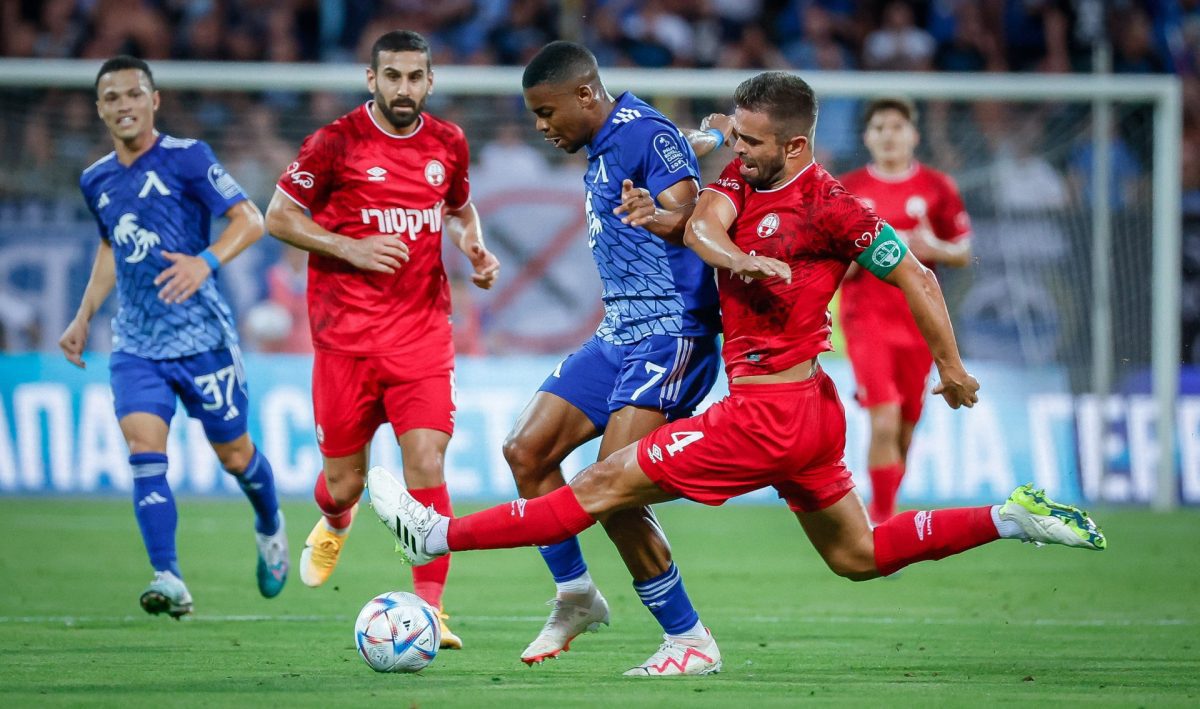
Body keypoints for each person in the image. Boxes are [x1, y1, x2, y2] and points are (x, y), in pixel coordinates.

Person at [367, 71, 1107, 676]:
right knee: (859, 554)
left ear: (796, 144)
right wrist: (716, 244)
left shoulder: (834, 208)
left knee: (601, 483)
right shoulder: (743, 181)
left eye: (750, 141)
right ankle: (1012, 517)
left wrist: (951, 366)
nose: (736, 150)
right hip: (805, 411)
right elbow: (700, 225)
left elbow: (916, 273)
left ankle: (439, 537)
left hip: (767, 417)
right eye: (737, 137)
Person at [263, 30, 499, 650]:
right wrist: (351, 247)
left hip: (422, 335)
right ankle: (337, 517)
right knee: (344, 482)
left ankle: (431, 610)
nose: (404, 88)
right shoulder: (334, 143)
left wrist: (474, 245)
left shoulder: (448, 142)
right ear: (372, 79)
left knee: (426, 460)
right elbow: (278, 217)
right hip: (344, 340)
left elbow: (459, 210)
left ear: (430, 81)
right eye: (392, 76)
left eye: (415, 77)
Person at [497, 41, 724, 674]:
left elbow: (694, 213)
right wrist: (706, 137)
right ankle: (575, 595)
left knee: (614, 485)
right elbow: (674, 147)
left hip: (672, 331)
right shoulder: (615, 137)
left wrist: (663, 212)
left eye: (546, 112)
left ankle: (689, 639)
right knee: (526, 450)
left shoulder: (641, 131)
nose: (541, 126)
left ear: (585, 94)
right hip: (620, 331)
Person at [59, 56, 288, 618]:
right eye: (112, 97)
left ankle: (270, 523)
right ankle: (169, 575)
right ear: (99, 109)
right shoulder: (95, 179)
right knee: (144, 451)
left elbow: (250, 219)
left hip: (203, 338)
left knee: (235, 455)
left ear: (154, 100)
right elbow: (111, 246)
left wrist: (204, 262)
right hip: (136, 345)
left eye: (134, 93)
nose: (124, 105)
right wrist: (84, 315)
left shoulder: (189, 158)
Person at [837, 97, 973, 525]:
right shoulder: (847, 189)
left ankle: (884, 509)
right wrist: (850, 260)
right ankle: (879, 524)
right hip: (866, 319)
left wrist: (936, 248)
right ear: (867, 137)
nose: (888, 136)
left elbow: (963, 251)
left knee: (907, 425)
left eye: (897, 127)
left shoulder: (937, 186)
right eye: (879, 128)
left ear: (913, 135)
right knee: (884, 418)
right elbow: (829, 257)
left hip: (919, 322)